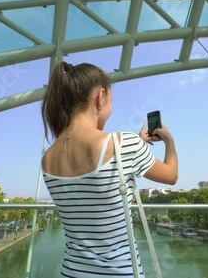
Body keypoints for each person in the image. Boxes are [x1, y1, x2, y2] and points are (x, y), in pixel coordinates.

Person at [41, 61, 178, 278]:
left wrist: (136, 143)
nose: (111, 110)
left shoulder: (47, 158)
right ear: (100, 96)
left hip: (71, 272)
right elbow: (171, 176)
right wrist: (169, 141)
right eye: (111, 102)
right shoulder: (124, 144)